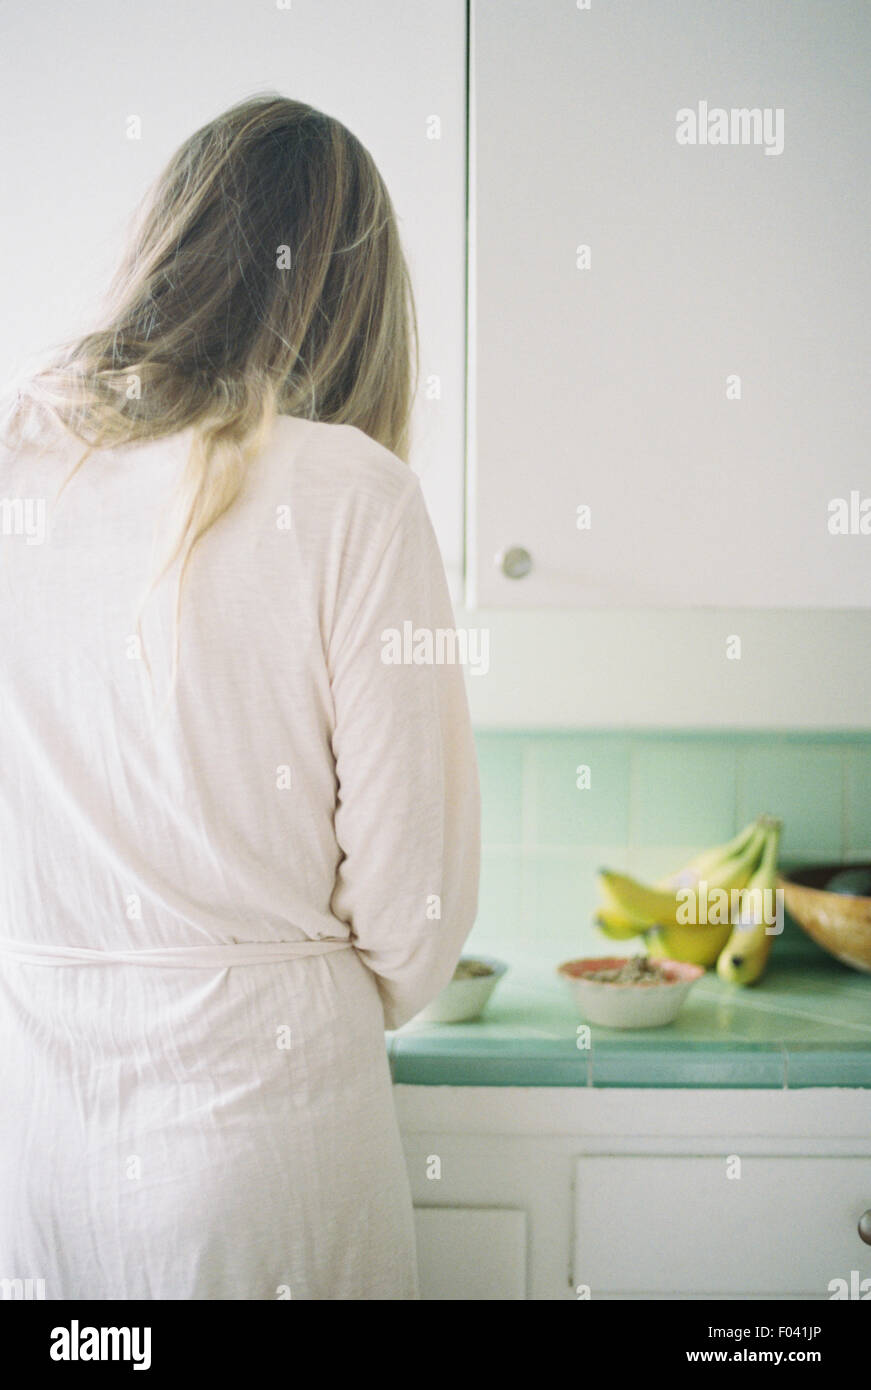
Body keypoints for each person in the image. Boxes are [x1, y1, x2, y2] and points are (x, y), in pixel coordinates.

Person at [0, 94, 480, 1300]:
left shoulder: (15, 455)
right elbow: (413, 916)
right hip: (267, 1147)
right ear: (356, 301)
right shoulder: (354, 495)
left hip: (37, 1140)